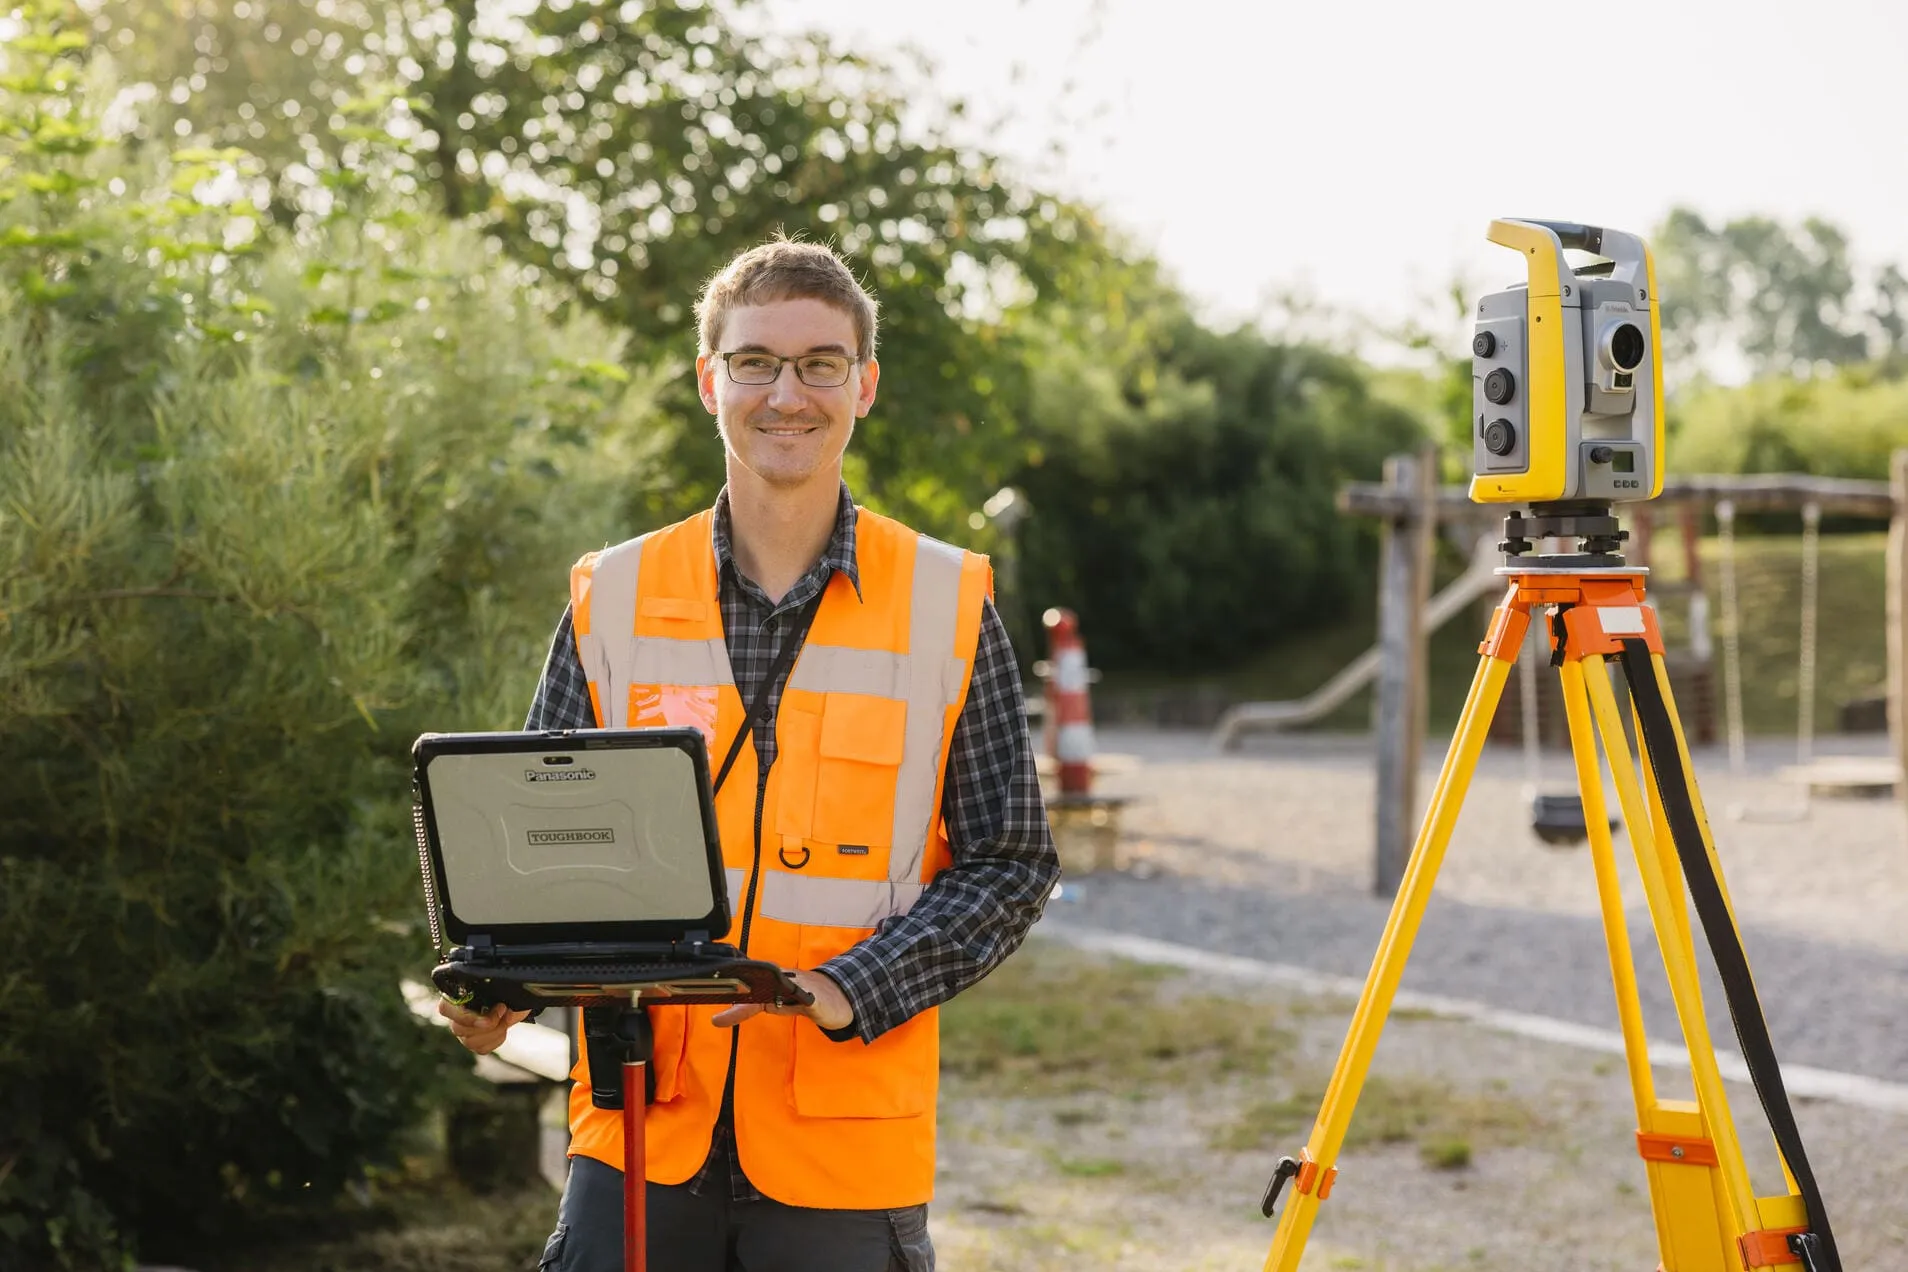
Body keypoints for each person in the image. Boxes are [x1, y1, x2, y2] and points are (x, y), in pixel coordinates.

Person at [440, 237, 1060, 1271]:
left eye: (821, 363)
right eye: (756, 361)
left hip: (842, 1137)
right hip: (642, 1122)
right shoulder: (616, 595)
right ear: (708, 379)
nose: (788, 393)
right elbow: (543, 847)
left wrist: (849, 986)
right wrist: (502, 986)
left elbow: (1010, 863)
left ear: (863, 387)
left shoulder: (950, 604)